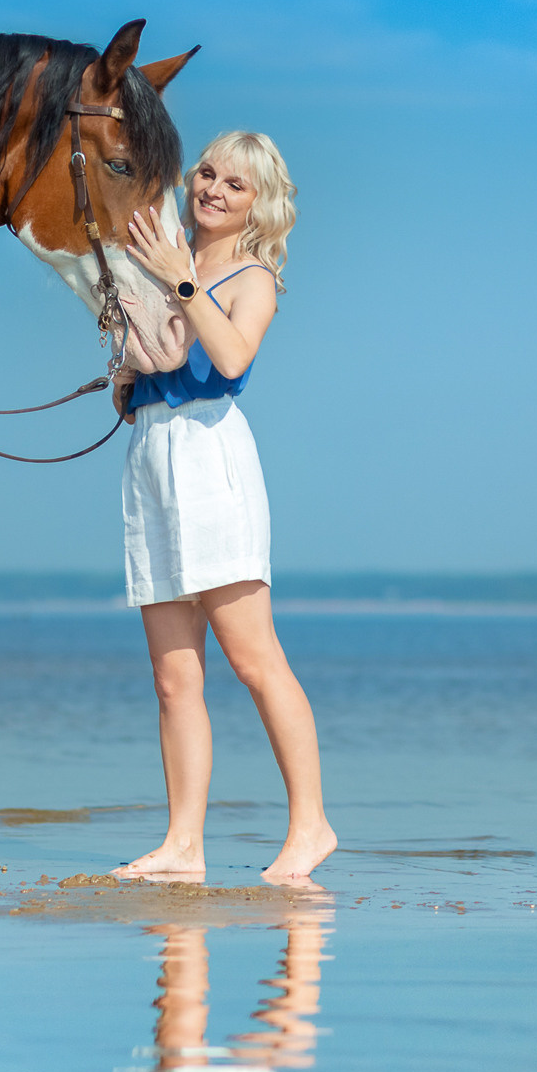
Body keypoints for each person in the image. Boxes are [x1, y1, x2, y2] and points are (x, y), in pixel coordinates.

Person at [112, 132, 337, 883]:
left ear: (258, 203)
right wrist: (127, 377)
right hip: (150, 454)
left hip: (211, 459)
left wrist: (181, 281)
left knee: (253, 658)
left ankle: (311, 825)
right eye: (207, 173)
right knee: (173, 678)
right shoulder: (166, 256)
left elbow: (233, 357)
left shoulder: (253, 276)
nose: (212, 189)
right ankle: (183, 846)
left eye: (235, 185)